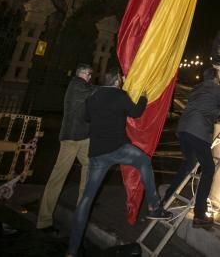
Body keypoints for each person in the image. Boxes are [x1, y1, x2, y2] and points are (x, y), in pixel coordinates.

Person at [65, 67, 172, 257]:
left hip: (97, 153)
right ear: (118, 80)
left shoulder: (93, 97)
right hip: (118, 149)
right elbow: (136, 112)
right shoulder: (120, 95)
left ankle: (72, 250)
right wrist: (144, 97)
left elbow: (86, 117)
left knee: (86, 200)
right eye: (122, 78)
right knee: (144, 161)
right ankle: (154, 206)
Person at [162, 67, 220, 229]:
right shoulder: (216, 89)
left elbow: (207, 108)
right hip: (198, 132)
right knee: (208, 169)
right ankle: (199, 214)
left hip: (183, 130)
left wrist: (219, 107)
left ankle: (168, 197)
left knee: (189, 163)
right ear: (217, 79)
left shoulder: (196, 89)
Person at [36, 62, 94, 232]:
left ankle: (81, 211)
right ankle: (43, 220)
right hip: (70, 139)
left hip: (84, 138)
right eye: (90, 75)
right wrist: (112, 86)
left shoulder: (82, 86)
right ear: (85, 74)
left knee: (89, 168)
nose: (91, 78)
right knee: (58, 177)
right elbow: (95, 91)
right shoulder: (77, 85)